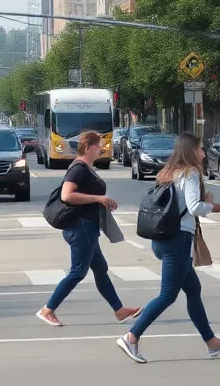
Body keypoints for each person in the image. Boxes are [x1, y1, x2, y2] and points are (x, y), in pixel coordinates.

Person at [117, 132, 220, 363]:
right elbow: (194, 207)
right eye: (201, 148)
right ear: (191, 151)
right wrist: (211, 206)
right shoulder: (190, 173)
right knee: (168, 295)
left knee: (193, 290)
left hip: (162, 238)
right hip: (178, 241)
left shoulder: (167, 173)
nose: (204, 153)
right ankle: (131, 337)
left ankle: (212, 343)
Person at [37, 131, 142, 327]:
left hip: (88, 227)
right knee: (78, 272)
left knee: (101, 269)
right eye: (99, 145)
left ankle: (119, 310)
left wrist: (102, 201)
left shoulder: (87, 168)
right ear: (88, 147)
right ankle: (48, 309)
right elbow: (67, 196)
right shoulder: (79, 169)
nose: (102, 148)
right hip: (80, 227)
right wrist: (97, 198)